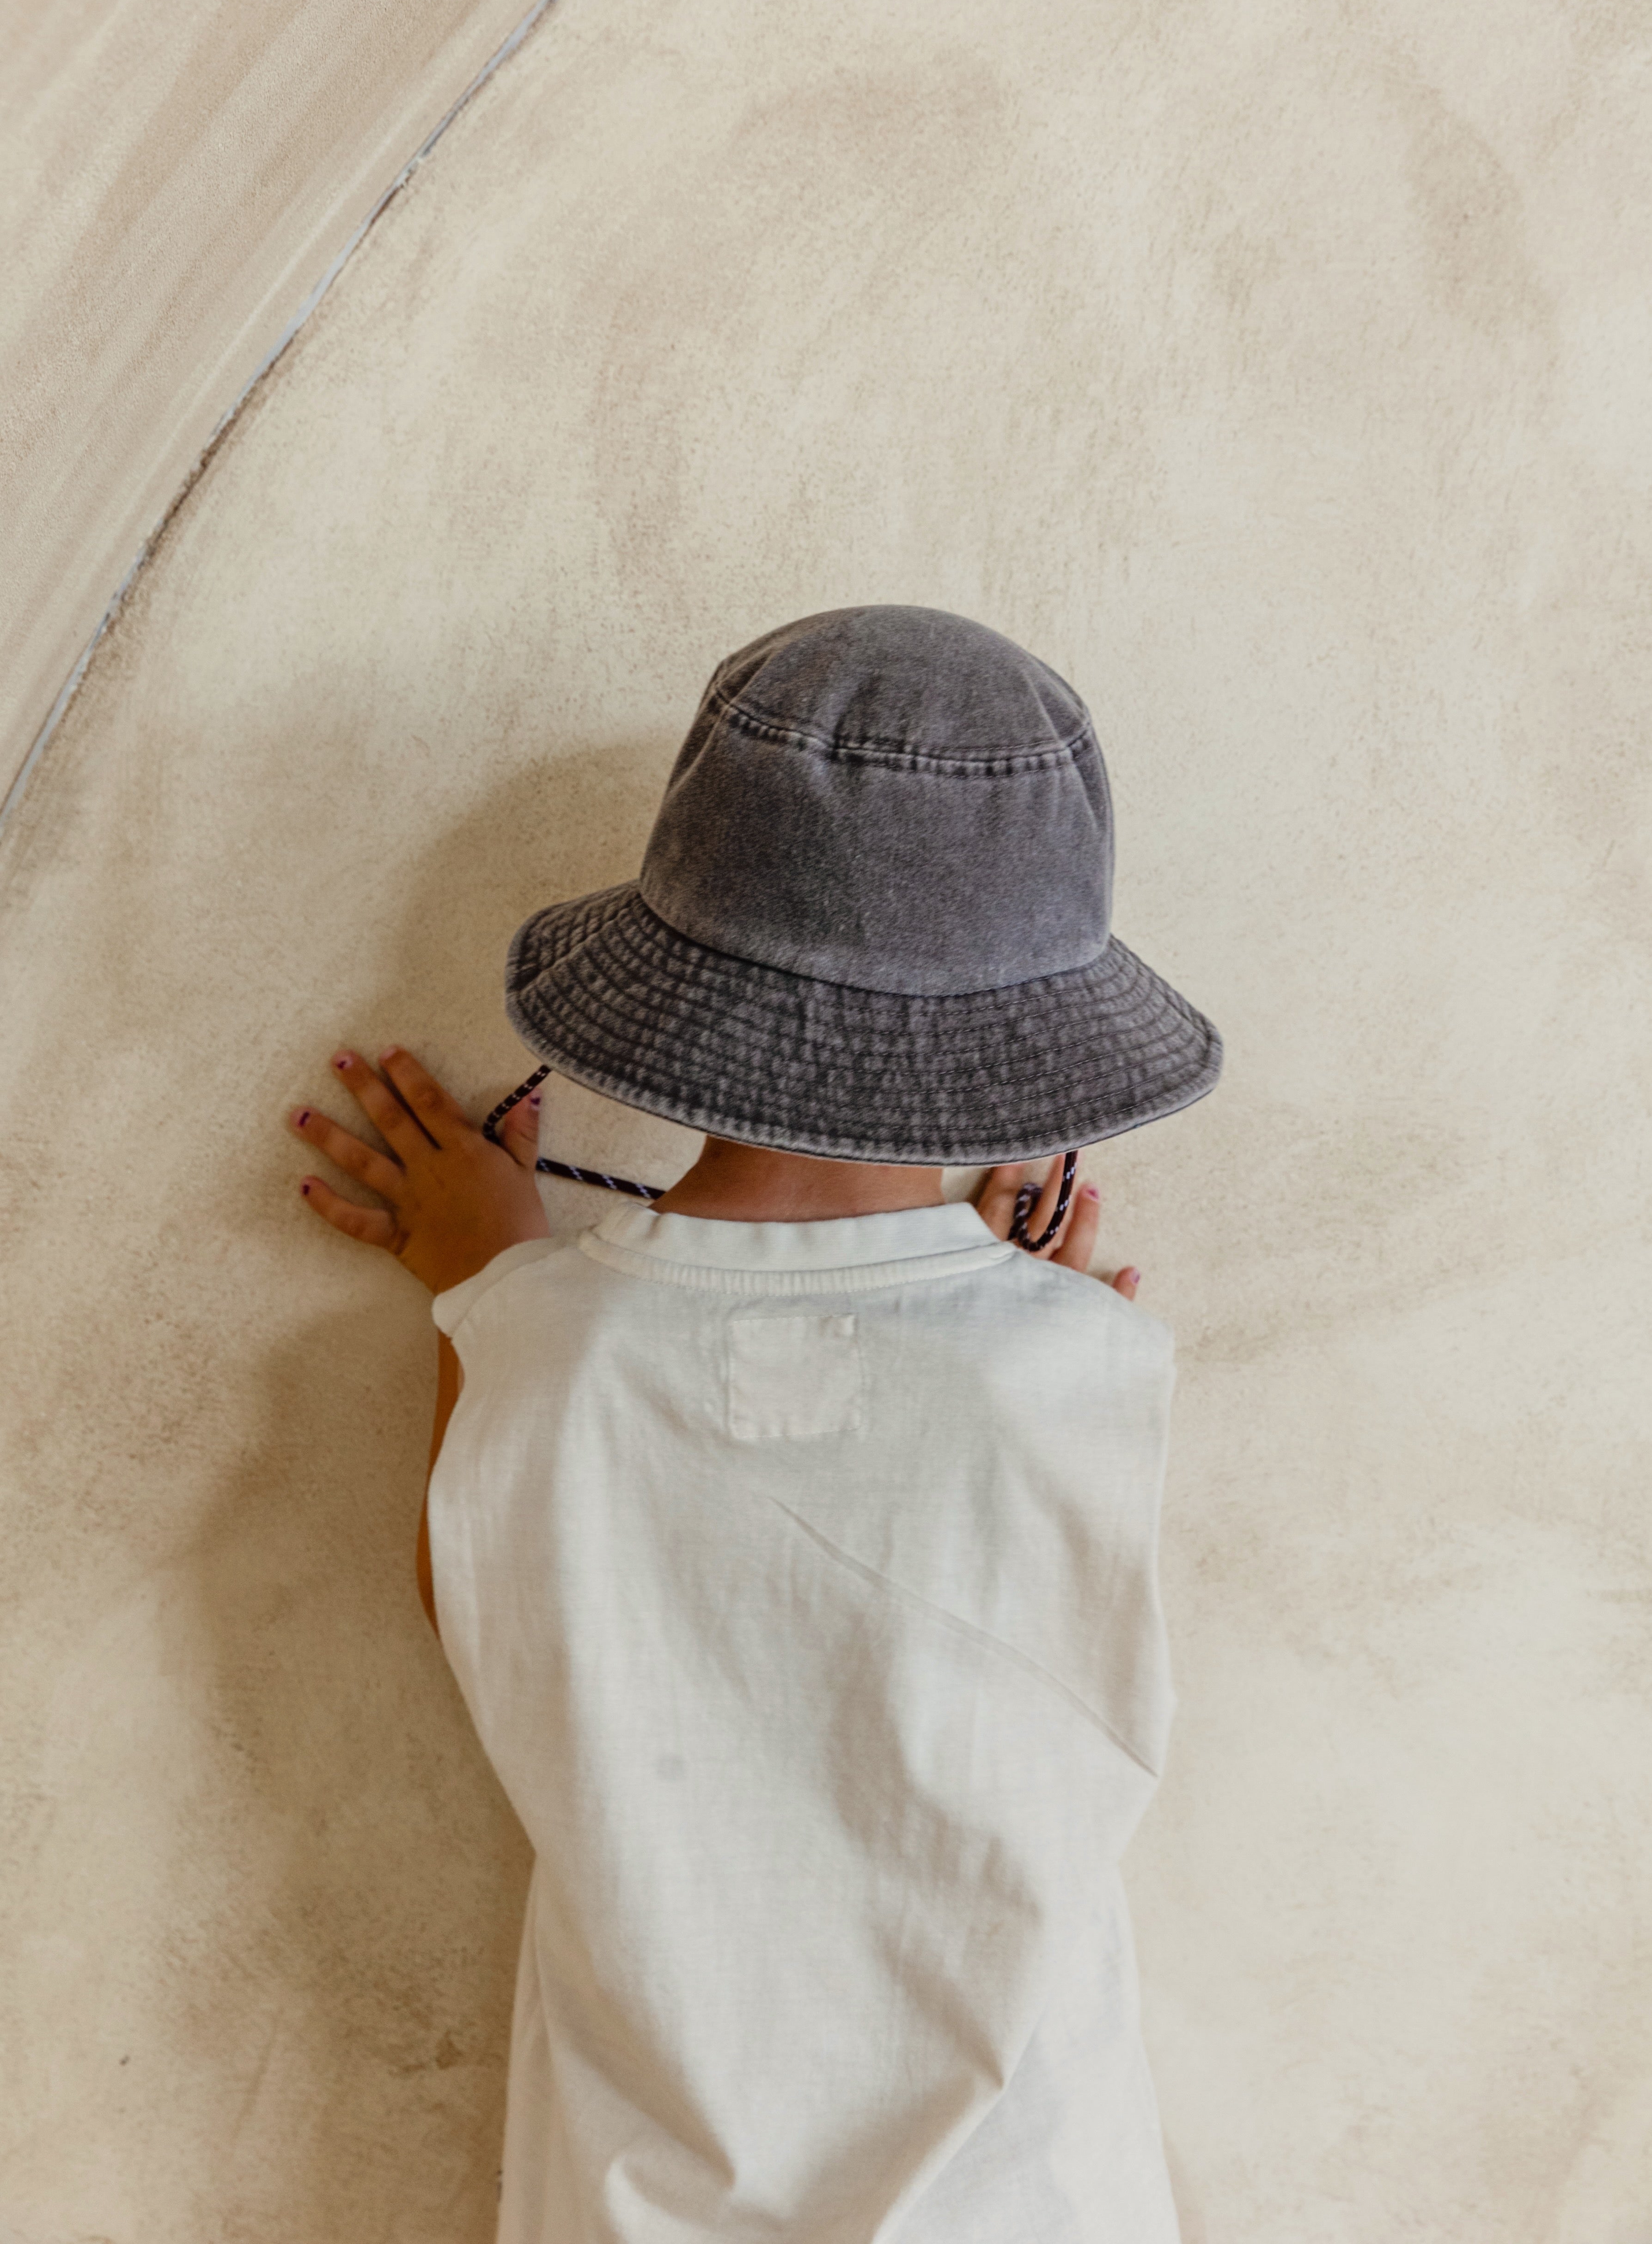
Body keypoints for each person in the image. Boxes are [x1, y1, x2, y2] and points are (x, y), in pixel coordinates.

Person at [287, 605, 1221, 2242]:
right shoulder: (1080, 1367)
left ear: (677, 973)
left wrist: (489, 1284)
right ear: (1025, 1036)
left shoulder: (545, 1357)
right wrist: (1018, 1317)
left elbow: (487, 1603)